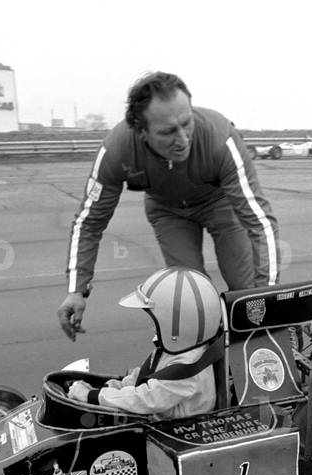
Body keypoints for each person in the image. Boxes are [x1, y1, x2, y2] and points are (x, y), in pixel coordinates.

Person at [57, 71, 279, 342]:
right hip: (168, 212)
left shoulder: (220, 137)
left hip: (220, 204)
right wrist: (76, 288)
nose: (183, 140)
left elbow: (260, 221)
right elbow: (89, 222)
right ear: (141, 132)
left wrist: (268, 292)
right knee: (194, 301)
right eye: (167, 132)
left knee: (248, 293)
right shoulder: (117, 150)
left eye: (186, 123)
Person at [66, 267, 220, 418]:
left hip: (172, 427)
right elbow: (141, 378)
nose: (152, 326)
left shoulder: (186, 370)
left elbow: (144, 399)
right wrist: (105, 388)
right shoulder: (182, 349)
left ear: (175, 324)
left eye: (155, 321)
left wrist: (92, 396)